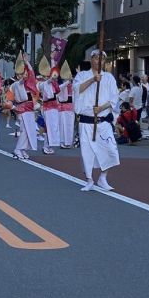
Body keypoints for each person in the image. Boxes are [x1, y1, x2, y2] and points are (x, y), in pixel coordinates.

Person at [73, 49, 120, 192]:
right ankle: (89, 179)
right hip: (86, 122)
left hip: (103, 121)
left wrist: (101, 108)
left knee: (111, 150)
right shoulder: (82, 75)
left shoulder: (109, 78)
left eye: (102, 59)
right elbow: (77, 89)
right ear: (91, 59)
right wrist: (93, 80)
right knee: (87, 152)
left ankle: (103, 177)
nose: (99, 61)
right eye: (96, 58)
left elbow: (114, 99)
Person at [11, 52, 38, 160]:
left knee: (29, 131)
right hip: (22, 110)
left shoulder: (27, 85)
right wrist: (23, 76)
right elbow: (23, 80)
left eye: (24, 74)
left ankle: (23, 149)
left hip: (29, 110)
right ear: (17, 75)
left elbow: (32, 73)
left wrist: (27, 62)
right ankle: (18, 149)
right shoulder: (17, 84)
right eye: (21, 74)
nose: (24, 76)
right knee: (24, 131)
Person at [38, 65, 61, 155]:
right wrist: (52, 77)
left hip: (54, 107)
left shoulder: (54, 84)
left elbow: (58, 90)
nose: (55, 78)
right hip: (48, 108)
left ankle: (48, 146)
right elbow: (47, 82)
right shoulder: (43, 84)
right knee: (49, 127)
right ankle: (45, 146)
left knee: (53, 128)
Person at [58, 63, 74, 149]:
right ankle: (62, 142)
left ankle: (68, 142)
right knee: (62, 125)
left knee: (69, 125)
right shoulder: (61, 85)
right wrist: (68, 81)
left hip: (70, 108)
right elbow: (59, 88)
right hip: (62, 108)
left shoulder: (72, 85)